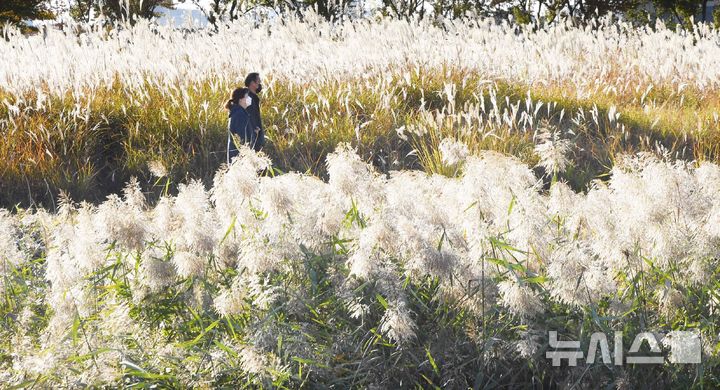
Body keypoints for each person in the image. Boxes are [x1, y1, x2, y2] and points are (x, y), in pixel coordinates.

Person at [225, 87, 256, 163]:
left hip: (236, 156)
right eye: (247, 96)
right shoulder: (240, 114)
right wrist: (247, 156)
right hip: (239, 158)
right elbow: (241, 137)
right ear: (241, 99)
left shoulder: (238, 112)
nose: (249, 98)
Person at [244, 72, 265, 151]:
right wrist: (254, 130)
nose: (260, 83)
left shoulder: (251, 97)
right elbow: (249, 115)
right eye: (258, 80)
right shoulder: (248, 98)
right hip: (252, 134)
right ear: (253, 83)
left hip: (254, 133)